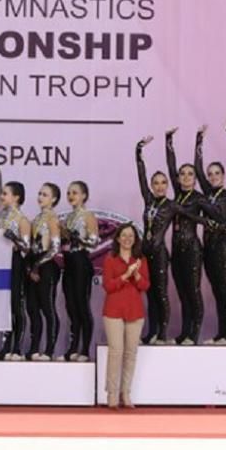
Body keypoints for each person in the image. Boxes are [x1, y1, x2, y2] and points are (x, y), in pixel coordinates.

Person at [194, 127, 226, 345]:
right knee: (216, 291)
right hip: (208, 247)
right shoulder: (206, 193)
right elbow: (197, 168)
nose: (212, 177)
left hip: (222, 247)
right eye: (210, 174)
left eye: (216, 174)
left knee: (225, 290)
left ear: (223, 175)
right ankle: (221, 334)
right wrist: (198, 140)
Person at [102, 223, 150, 409]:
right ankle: (112, 394)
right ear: (117, 238)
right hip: (113, 311)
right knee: (116, 352)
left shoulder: (141, 260)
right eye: (124, 235)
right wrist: (125, 275)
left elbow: (145, 286)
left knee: (131, 354)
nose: (127, 239)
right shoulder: (110, 259)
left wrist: (136, 274)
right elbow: (108, 286)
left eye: (131, 236)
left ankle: (126, 393)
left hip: (135, 312)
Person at [166, 129, 206, 346]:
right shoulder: (178, 194)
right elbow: (170, 165)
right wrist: (168, 141)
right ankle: (184, 332)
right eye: (183, 174)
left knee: (193, 291)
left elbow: (214, 218)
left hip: (192, 249)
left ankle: (194, 334)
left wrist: (198, 140)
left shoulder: (199, 198)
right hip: (176, 249)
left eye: (190, 174)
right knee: (181, 292)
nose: (186, 177)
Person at [0, 150, 32, 361]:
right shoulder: (1, 214)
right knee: (3, 305)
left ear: (16, 197)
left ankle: (17, 347)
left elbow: (27, 248)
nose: (1, 195)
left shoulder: (22, 220)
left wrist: (14, 239)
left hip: (15, 263)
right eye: (2, 193)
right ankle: (4, 346)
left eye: (6, 193)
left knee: (16, 305)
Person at [134, 135, 173, 345]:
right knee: (149, 294)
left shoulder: (171, 205)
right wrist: (138, 151)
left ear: (167, 185)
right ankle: (152, 331)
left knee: (161, 293)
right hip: (146, 253)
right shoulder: (149, 199)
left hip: (160, 254)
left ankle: (164, 333)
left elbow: (195, 216)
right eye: (155, 183)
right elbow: (141, 174)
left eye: (163, 183)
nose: (159, 187)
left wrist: (218, 225)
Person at [61, 180, 98, 362]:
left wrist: (79, 240)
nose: (71, 196)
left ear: (84, 195)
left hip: (82, 262)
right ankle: (73, 347)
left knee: (82, 305)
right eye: (69, 193)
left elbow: (94, 242)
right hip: (69, 262)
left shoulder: (88, 215)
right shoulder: (68, 218)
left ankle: (85, 349)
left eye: (74, 192)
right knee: (71, 307)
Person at [26, 183, 62, 360]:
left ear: (54, 199)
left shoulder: (52, 219)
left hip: (47, 265)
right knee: (32, 308)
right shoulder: (36, 218)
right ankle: (34, 348)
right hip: (34, 263)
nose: (40, 197)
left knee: (47, 308)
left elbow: (55, 247)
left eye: (45, 195)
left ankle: (49, 350)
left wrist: (37, 266)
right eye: (40, 193)